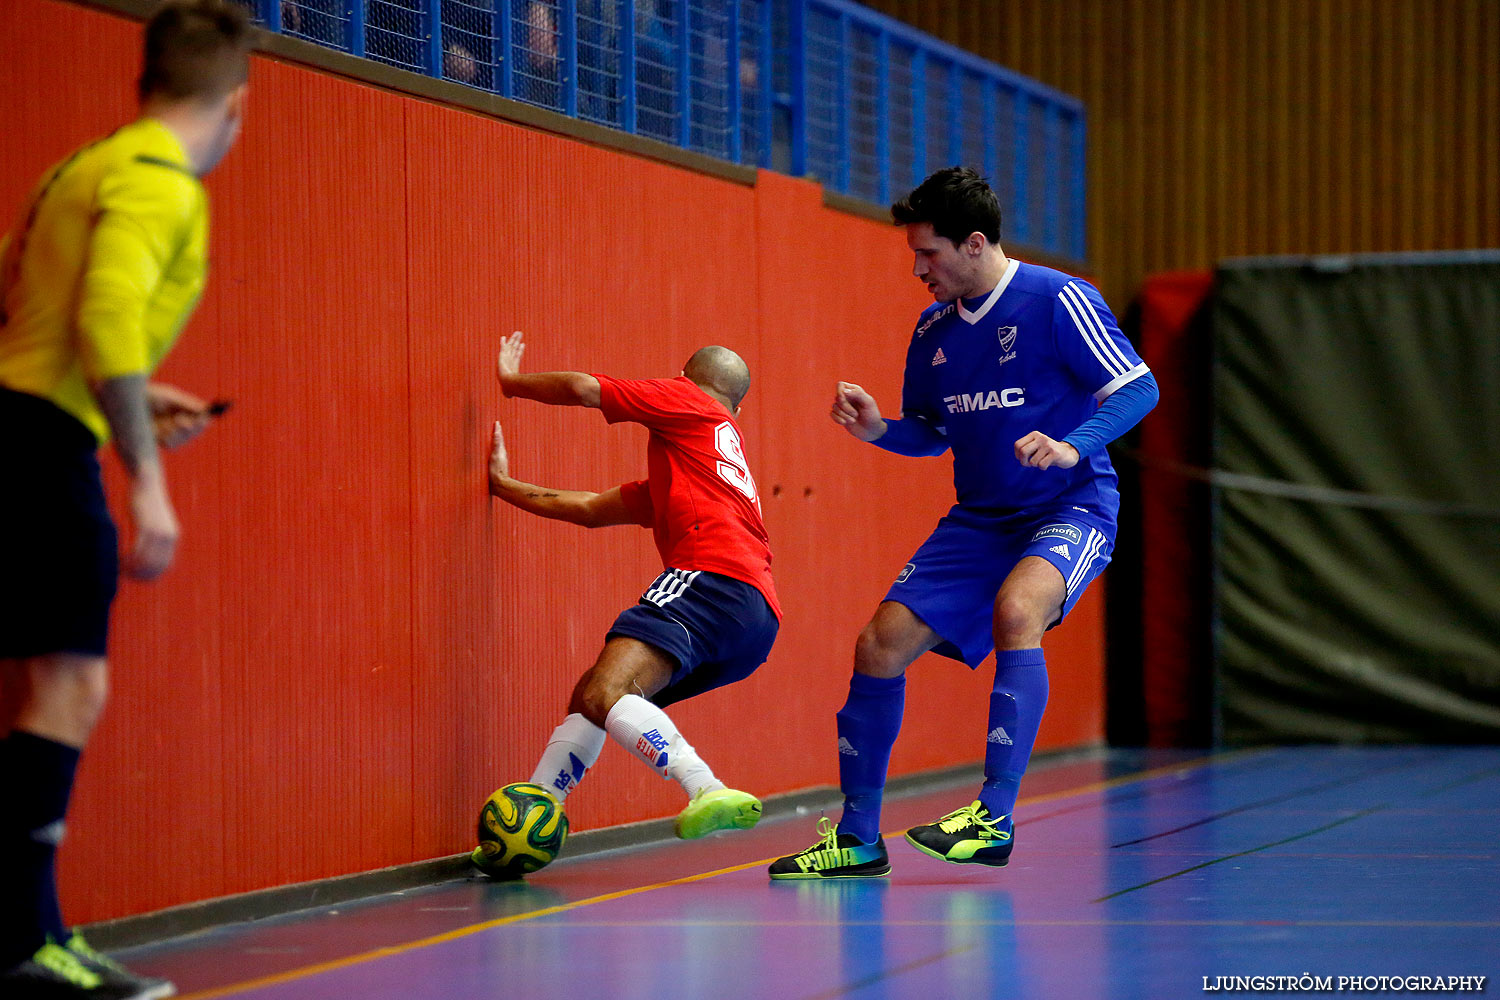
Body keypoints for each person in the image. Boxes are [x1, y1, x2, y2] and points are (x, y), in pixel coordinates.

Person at [769, 167, 1159, 880]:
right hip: (980, 519)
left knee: (1018, 611)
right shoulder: (933, 330)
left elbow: (1139, 387)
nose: (918, 269)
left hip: (1070, 505)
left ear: (975, 243)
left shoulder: (1059, 300)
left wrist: (1074, 443)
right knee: (879, 645)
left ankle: (994, 818)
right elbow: (931, 430)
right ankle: (857, 839)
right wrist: (880, 428)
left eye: (930, 254)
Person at [0, 2, 251, 995]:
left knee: (38, 691)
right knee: (70, 689)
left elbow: (25, 302)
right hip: (42, 446)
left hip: (18, 418)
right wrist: (147, 476)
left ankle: (27, 934)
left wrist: (138, 392)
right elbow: (106, 310)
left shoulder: (83, 167)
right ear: (237, 102)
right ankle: (26, 943)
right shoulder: (160, 183)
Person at [482, 330, 780, 867]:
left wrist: (509, 383)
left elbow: (583, 387)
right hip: (754, 618)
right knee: (598, 696)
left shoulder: (689, 399)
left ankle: (705, 787)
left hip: (710, 579)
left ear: (687, 377)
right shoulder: (698, 468)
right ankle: (540, 804)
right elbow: (592, 508)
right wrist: (504, 486)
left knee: (607, 692)